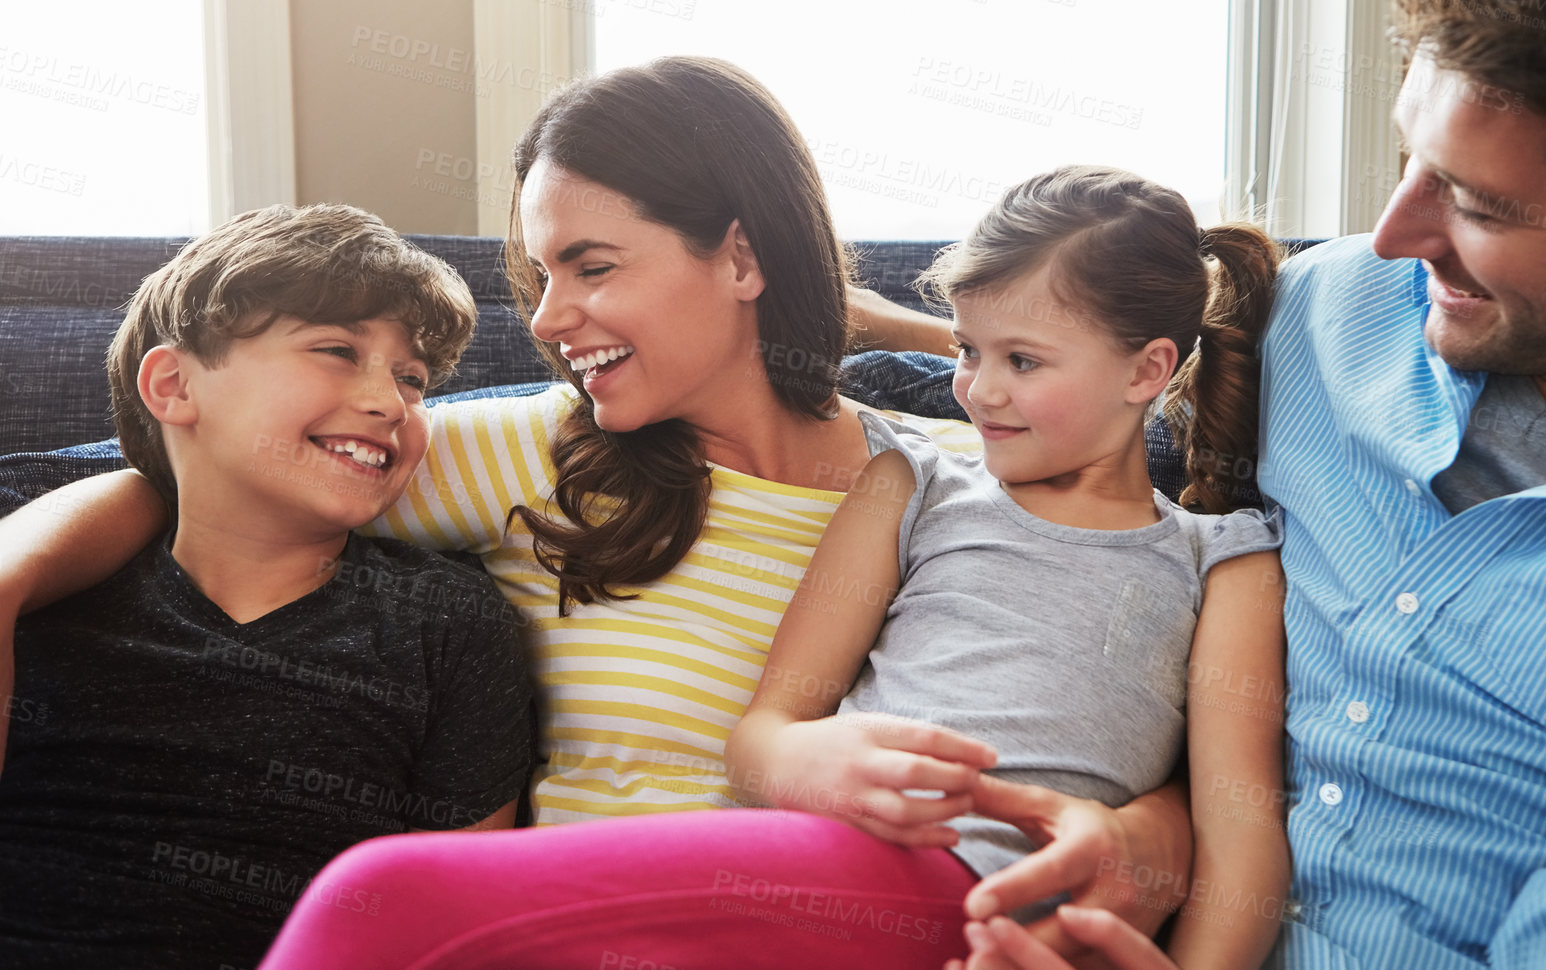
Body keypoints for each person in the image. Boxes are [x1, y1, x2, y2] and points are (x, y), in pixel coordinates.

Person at [0, 58, 1193, 961]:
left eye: (593, 265)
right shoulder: (525, 449)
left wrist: (1148, 832)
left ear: (738, 254)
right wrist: (8, 577)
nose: (549, 316)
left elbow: (1135, 628)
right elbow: (189, 471)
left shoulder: (953, 468)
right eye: (540, 275)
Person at [922, 0, 1546, 970]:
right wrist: (1148, 831)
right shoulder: (1309, 317)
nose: (1394, 233)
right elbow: (1109, 529)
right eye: (1411, 159)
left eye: (1480, 203)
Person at [244, 166, 1290, 970]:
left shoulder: (1219, 554)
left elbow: (1239, 824)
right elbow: (764, 733)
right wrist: (814, 766)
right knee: (378, 898)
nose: (977, 391)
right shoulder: (909, 483)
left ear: (1151, 368)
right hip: (843, 863)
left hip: (992, 899)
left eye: (1022, 361)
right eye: (966, 351)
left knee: (380, 894)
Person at [0, 205, 537, 969]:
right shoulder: (54, 569)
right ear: (175, 384)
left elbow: (462, 915)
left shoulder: (447, 621)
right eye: (337, 351)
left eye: (414, 379)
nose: (393, 402)